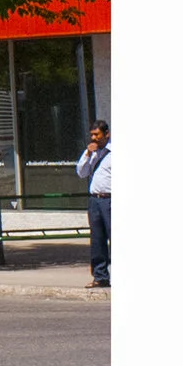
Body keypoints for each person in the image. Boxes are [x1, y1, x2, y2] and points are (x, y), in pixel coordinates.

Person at [76, 121, 110, 288]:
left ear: (106, 134)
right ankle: (100, 276)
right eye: (92, 135)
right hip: (95, 201)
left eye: (97, 134)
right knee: (97, 240)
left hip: (110, 200)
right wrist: (88, 155)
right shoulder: (92, 154)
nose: (94, 138)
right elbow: (81, 173)